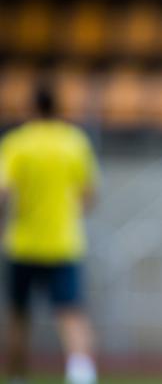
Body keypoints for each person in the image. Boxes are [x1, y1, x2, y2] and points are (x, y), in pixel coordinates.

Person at [0, 83, 99, 384]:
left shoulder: (18, 143)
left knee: (19, 314)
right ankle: (81, 375)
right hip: (63, 243)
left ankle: (17, 377)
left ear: (31, 108)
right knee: (71, 314)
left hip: (22, 243)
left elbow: (3, 193)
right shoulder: (74, 142)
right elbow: (88, 195)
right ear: (58, 108)